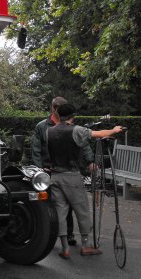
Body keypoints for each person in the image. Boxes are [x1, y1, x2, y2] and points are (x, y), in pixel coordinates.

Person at [47, 103, 123, 259]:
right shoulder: (76, 130)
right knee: (81, 209)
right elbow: (99, 133)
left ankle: (65, 248)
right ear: (72, 116)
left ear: (58, 115)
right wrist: (114, 130)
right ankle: (86, 245)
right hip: (71, 176)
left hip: (54, 176)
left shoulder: (49, 131)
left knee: (60, 212)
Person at [32, 96, 87, 246]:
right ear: (53, 109)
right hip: (47, 170)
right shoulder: (42, 126)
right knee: (49, 203)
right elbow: (36, 149)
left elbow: (83, 145)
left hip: (63, 170)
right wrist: (40, 169)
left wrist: (90, 161)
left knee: (65, 205)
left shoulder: (71, 127)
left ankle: (68, 235)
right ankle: (50, 234)